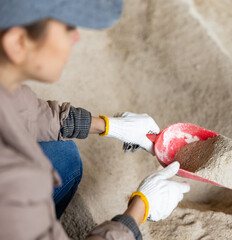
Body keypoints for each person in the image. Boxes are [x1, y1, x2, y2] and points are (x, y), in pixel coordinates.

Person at [0, 1, 190, 239]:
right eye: (68, 26)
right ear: (17, 43)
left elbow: (23, 111)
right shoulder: (11, 180)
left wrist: (110, 126)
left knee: (63, 154)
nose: (76, 36)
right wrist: (138, 211)